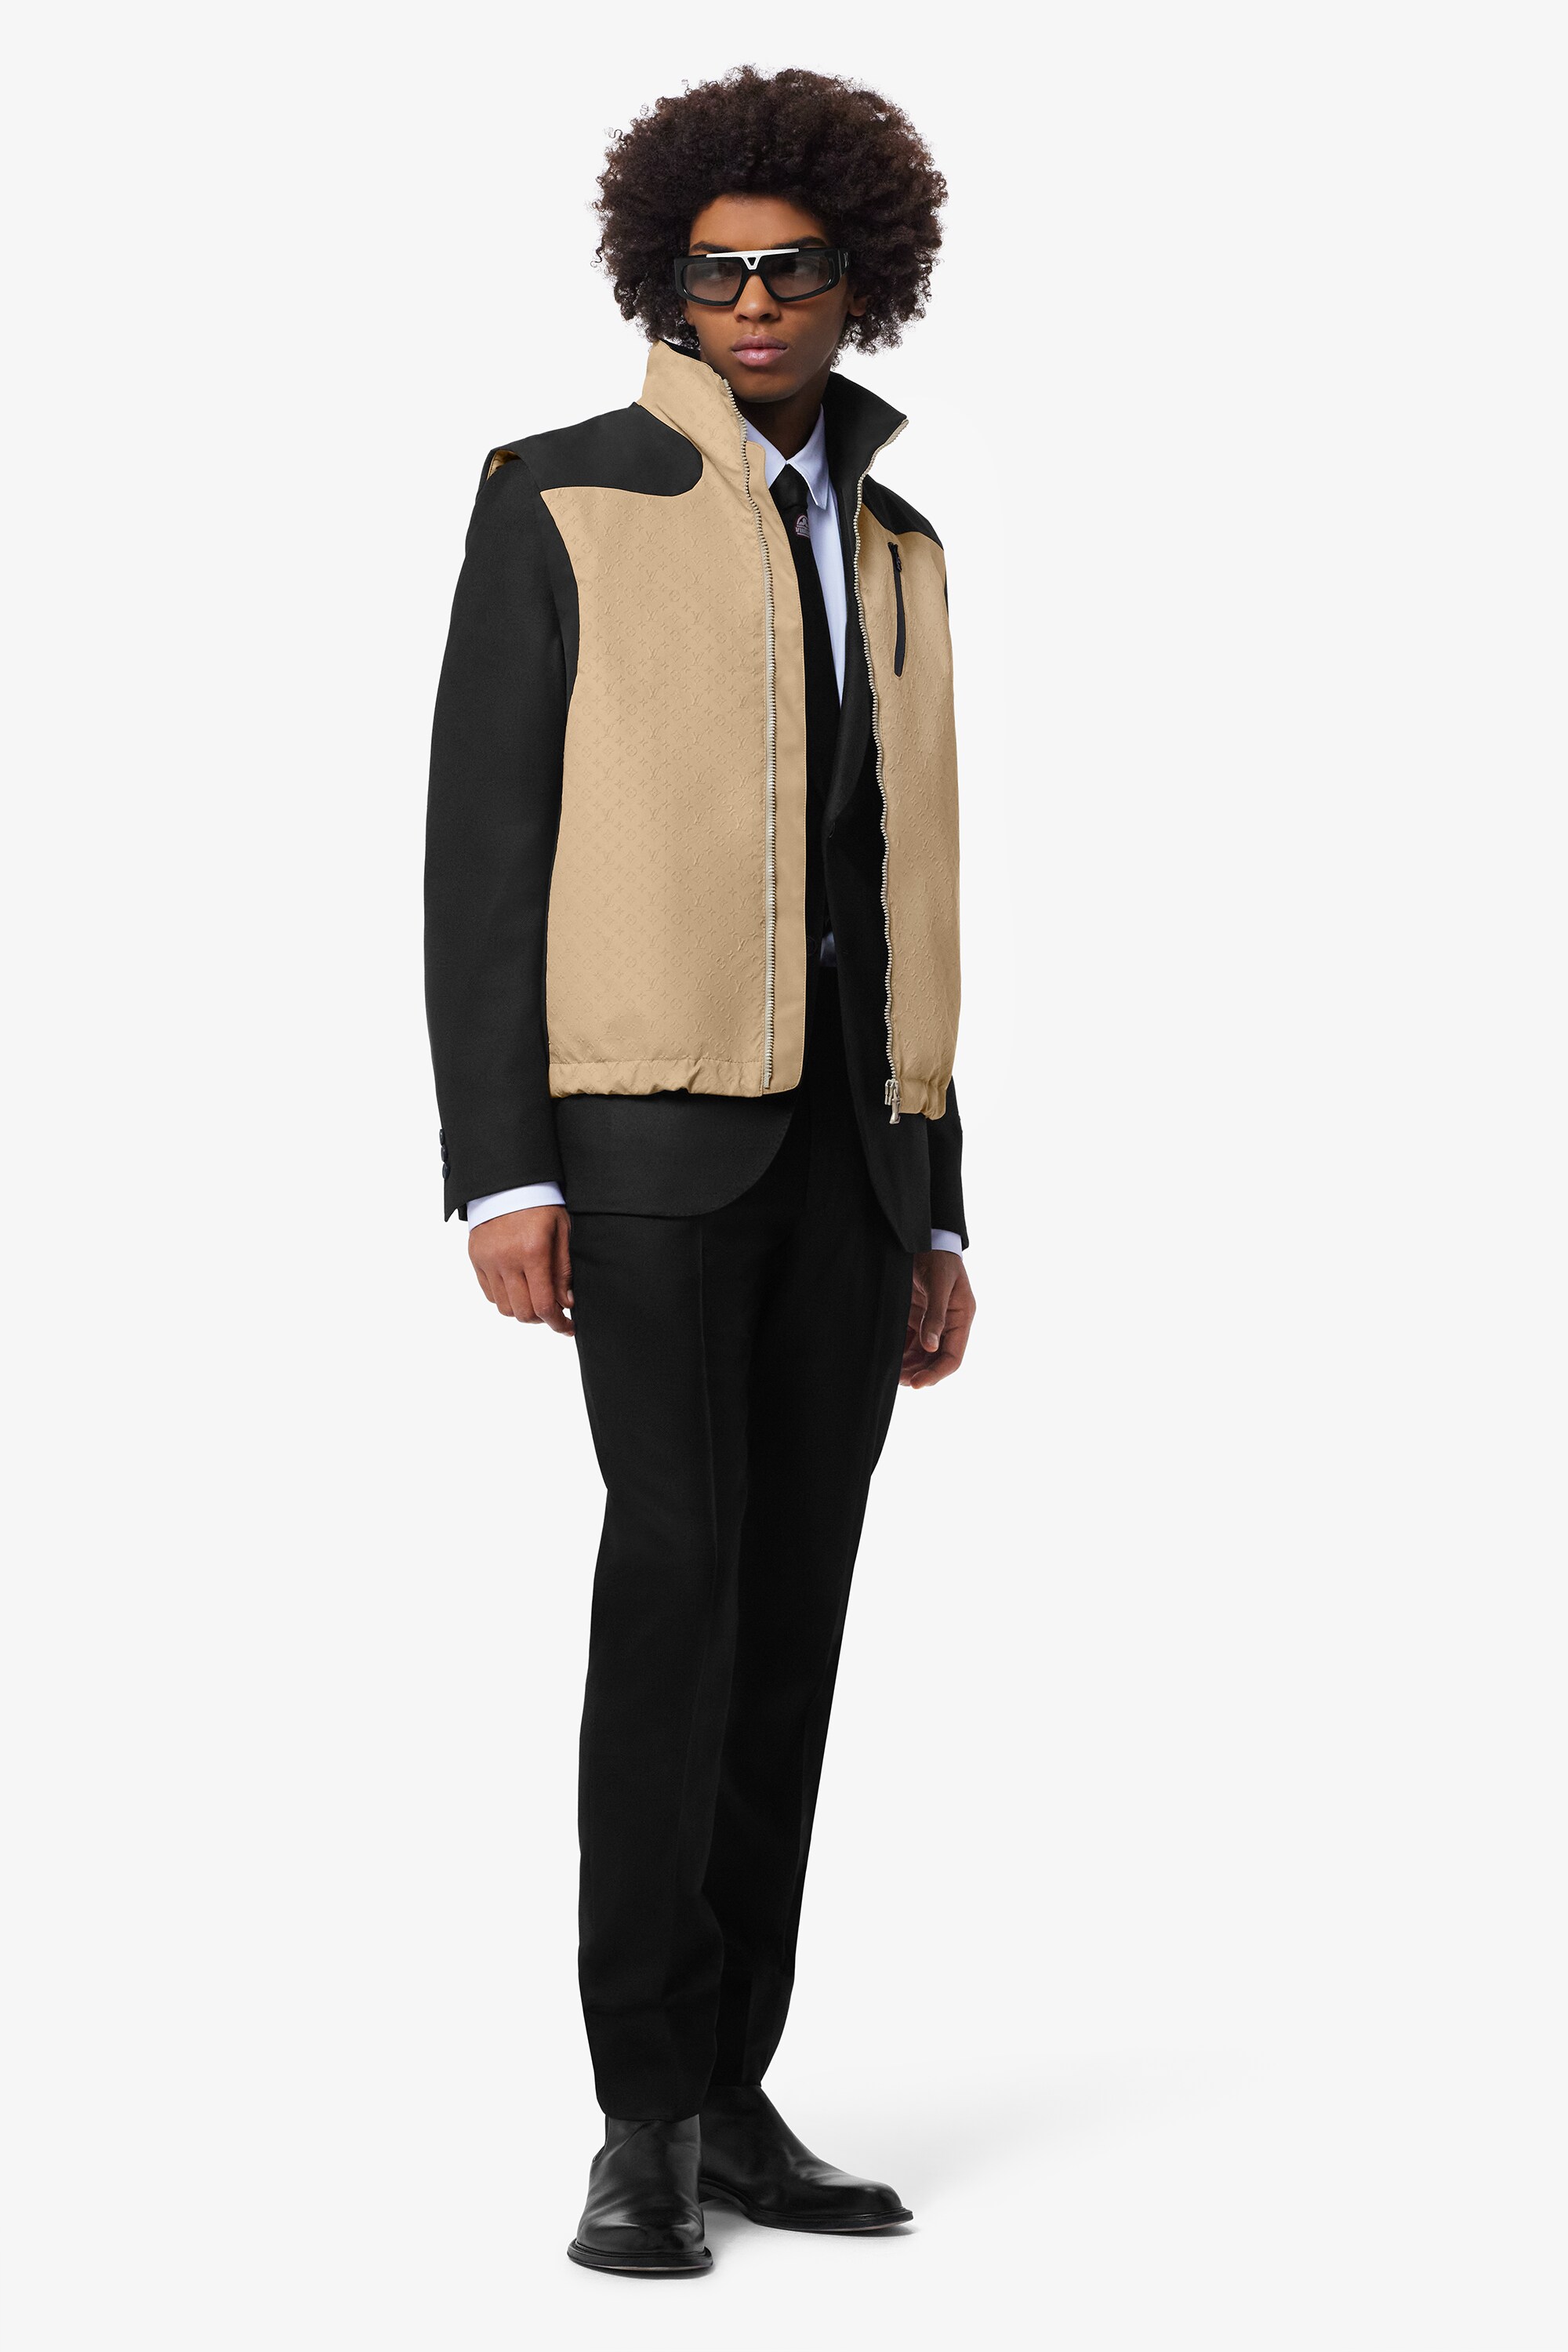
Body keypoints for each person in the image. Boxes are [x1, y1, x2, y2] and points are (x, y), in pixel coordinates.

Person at [425, 64, 975, 2277]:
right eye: (715, 271)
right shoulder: (558, 499)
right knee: (677, 1586)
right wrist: (501, 1171)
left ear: (863, 282)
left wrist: (939, 1191)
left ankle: (737, 2088)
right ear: (666, 282)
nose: (752, 302)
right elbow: (482, 856)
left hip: (856, 1161)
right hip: (643, 1145)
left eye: (794, 268)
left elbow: (912, 878)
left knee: (793, 1620)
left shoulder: (902, 544)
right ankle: (638, 2113)